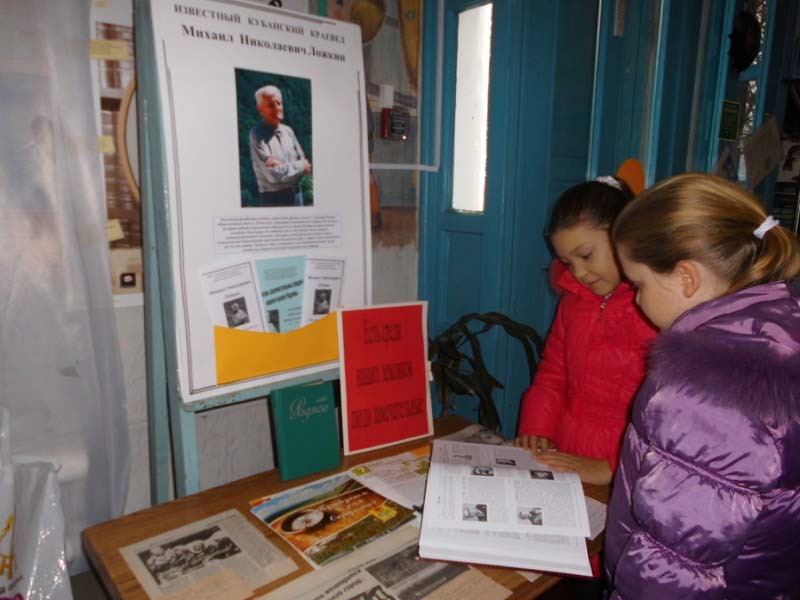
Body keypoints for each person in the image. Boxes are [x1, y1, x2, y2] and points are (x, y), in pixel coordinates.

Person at [604, 173, 800, 599]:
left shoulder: (704, 398)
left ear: (685, 278)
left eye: (638, 284)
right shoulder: (785, 326)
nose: (635, 299)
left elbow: (673, 567)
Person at [514, 176, 656, 488]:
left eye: (586, 255)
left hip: (629, 465)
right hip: (568, 448)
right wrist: (537, 429)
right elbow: (554, 372)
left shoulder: (655, 306)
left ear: (623, 236)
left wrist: (613, 466)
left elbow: (665, 412)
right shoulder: (572, 301)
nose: (578, 273)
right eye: (567, 262)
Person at [249, 85, 311, 207]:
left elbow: (306, 166)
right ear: (260, 109)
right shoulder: (257, 134)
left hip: (297, 197)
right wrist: (299, 166)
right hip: (274, 200)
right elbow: (272, 176)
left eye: (279, 103)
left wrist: (282, 168)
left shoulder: (288, 131)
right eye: (270, 105)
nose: (277, 108)